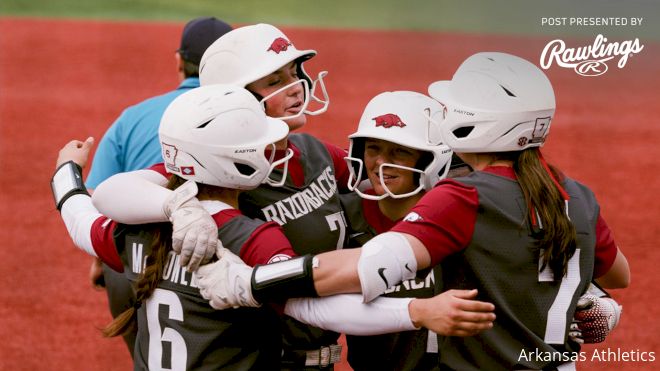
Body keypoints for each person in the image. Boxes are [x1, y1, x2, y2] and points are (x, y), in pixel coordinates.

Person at [194, 52, 630, 370]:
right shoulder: (576, 194)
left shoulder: (463, 196)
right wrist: (588, 298)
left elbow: (366, 267)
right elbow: (617, 275)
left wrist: (249, 282)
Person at [90, 23, 352, 370]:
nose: (297, 88)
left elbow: (384, 185)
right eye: (275, 82)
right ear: (239, 99)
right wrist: (177, 207)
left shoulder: (313, 151)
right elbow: (110, 192)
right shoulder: (223, 175)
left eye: (294, 73)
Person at [83, 16, 232, 356]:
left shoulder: (132, 117)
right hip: (217, 260)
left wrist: (101, 261)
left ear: (179, 60)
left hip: (131, 261)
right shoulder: (248, 117)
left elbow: (100, 200)